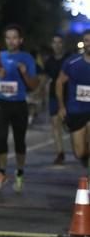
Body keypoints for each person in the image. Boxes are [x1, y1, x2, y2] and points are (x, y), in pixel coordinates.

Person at [0, 24, 39, 192]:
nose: (11, 41)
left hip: (19, 104)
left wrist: (24, 73)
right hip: (1, 102)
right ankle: (2, 172)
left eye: (14, 38)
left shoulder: (27, 58)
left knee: (20, 140)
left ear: (20, 40)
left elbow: (33, 85)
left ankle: (19, 173)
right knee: (0, 138)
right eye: (8, 38)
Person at [56, 29, 90, 173]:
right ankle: (85, 157)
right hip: (76, 111)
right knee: (79, 152)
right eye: (87, 40)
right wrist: (62, 107)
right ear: (83, 43)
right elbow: (59, 82)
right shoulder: (72, 62)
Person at [45, 34, 71, 165]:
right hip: (54, 96)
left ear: (63, 44)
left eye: (59, 42)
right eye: (54, 42)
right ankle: (60, 153)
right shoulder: (49, 61)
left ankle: (82, 149)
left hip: (70, 95)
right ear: (51, 45)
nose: (57, 45)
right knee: (55, 123)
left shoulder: (70, 59)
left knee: (73, 125)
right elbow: (46, 79)